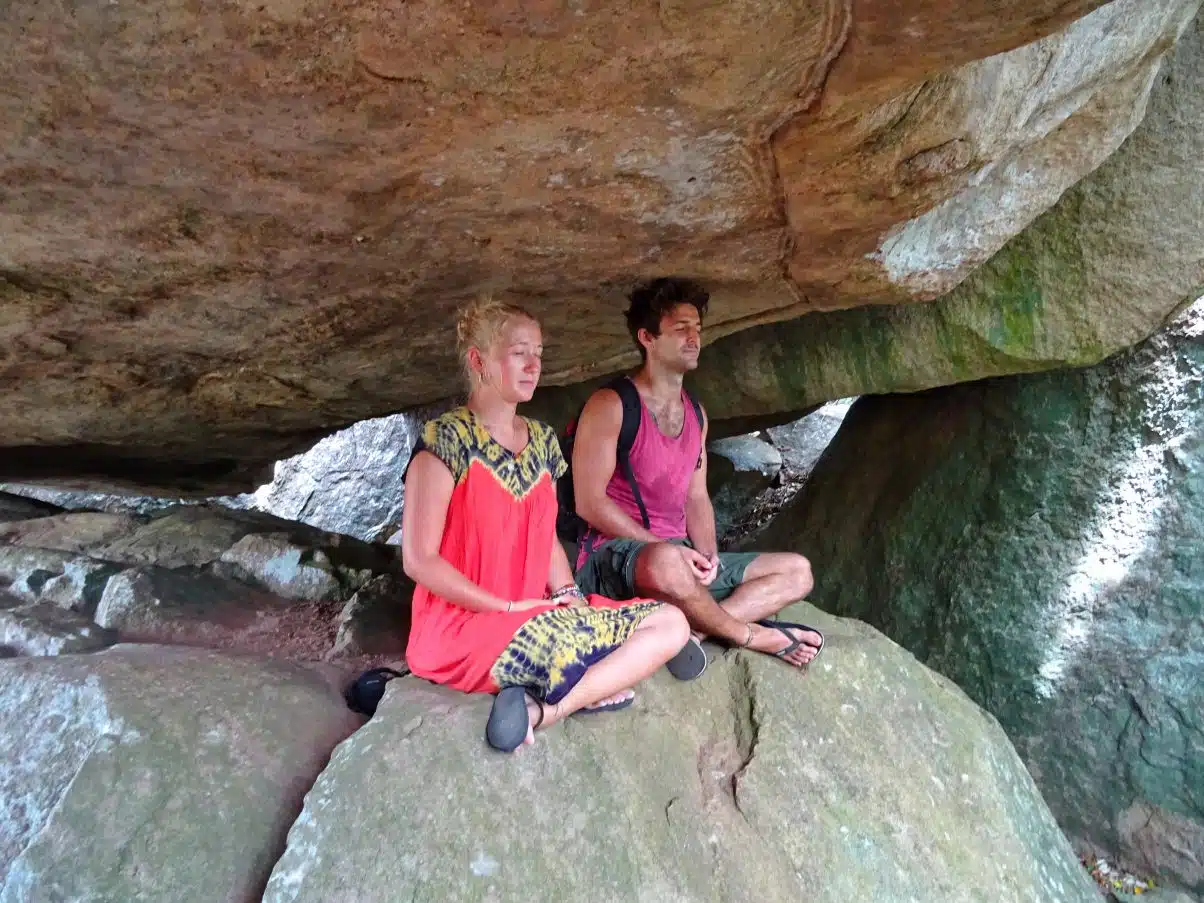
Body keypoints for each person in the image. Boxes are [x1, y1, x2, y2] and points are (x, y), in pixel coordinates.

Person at [401, 297, 690, 753]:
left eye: (539, 353)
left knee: (672, 620)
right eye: (520, 352)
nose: (534, 365)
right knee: (570, 642)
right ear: (478, 361)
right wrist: (504, 608)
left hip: (538, 613)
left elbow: (545, 534)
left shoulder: (541, 441)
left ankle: (544, 708)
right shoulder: (445, 441)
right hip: (463, 629)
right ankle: (599, 676)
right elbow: (419, 560)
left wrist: (568, 595)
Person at [570, 278, 824, 673]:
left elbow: (696, 497)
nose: (694, 339)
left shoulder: (696, 415)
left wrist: (707, 558)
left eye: (698, 330)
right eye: (680, 329)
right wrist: (667, 549)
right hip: (614, 557)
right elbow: (589, 502)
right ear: (647, 338)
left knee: (797, 571)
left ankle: (697, 634)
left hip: (679, 558)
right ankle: (749, 635)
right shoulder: (612, 405)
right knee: (667, 563)